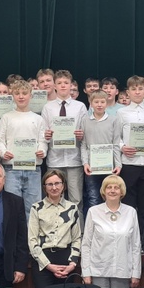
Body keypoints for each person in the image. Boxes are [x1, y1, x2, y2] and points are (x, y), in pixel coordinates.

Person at [0, 79, 48, 217]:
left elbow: (42, 141)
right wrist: (4, 152)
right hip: (11, 169)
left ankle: (31, 232)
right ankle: (14, 232)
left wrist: (42, 151)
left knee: (33, 208)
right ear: (12, 95)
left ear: (31, 95)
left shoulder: (38, 119)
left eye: (24, 93)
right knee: (12, 208)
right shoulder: (6, 117)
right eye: (17, 93)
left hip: (33, 168)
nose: (21, 96)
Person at [81, 175, 141, 288]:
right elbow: (86, 244)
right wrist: (86, 271)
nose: (112, 190)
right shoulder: (93, 212)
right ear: (103, 191)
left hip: (123, 271)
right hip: (98, 271)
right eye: (109, 187)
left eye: (116, 187)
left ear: (122, 191)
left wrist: (136, 273)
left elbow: (136, 245)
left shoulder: (131, 212)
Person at [41, 70, 87, 211]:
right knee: (53, 198)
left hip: (74, 159)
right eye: (59, 83)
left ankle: (76, 226)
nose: (62, 86)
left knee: (76, 199)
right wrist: (46, 135)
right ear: (54, 85)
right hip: (54, 159)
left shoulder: (80, 106)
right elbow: (43, 133)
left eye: (66, 83)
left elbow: (86, 132)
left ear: (71, 85)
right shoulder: (47, 107)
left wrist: (81, 135)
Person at [117, 75, 144, 233]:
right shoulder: (121, 112)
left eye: (140, 89)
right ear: (128, 92)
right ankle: (128, 235)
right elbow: (117, 136)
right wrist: (122, 147)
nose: (137, 92)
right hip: (129, 163)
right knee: (128, 203)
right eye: (133, 89)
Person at [28, 169, 82, 288]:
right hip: (43, 261)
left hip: (66, 261)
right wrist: (48, 265)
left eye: (57, 183)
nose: (54, 187)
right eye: (50, 184)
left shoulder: (72, 208)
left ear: (63, 185)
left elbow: (77, 238)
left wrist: (72, 263)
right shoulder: (36, 208)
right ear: (44, 187)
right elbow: (32, 240)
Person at [79, 90, 122, 209]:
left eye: (102, 102)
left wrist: (118, 164)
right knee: (93, 197)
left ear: (106, 103)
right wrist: (85, 163)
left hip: (110, 167)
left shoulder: (114, 120)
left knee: (110, 197)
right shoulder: (85, 120)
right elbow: (83, 145)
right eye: (96, 102)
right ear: (91, 103)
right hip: (92, 167)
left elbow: (116, 144)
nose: (99, 105)